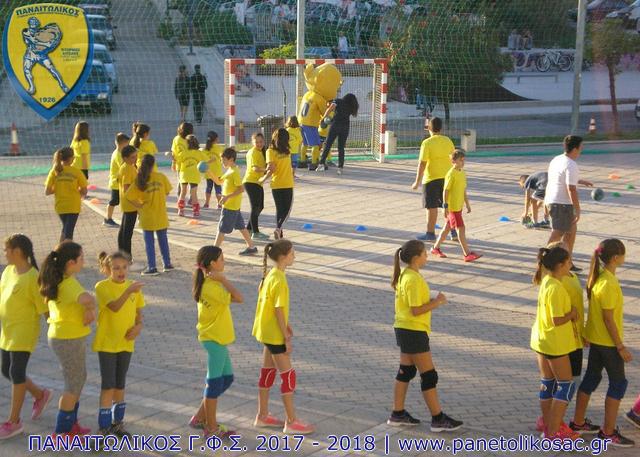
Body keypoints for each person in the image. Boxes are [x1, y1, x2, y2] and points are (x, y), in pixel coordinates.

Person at [388, 240, 463, 432]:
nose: (427, 256)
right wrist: (437, 302)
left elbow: (412, 303)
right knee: (429, 376)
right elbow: (415, 310)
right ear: (416, 258)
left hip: (404, 328)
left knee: (406, 371)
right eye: (424, 254)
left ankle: (397, 413)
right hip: (413, 330)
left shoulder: (406, 274)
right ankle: (438, 419)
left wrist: (429, 300)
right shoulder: (413, 279)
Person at [572, 239, 634, 447]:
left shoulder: (599, 277)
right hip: (608, 343)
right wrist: (620, 346)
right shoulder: (608, 283)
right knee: (618, 384)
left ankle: (578, 422)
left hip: (597, 340)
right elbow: (608, 319)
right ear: (616, 258)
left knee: (592, 378)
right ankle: (608, 432)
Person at [252, 240, 314, 434]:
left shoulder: (270, 274)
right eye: (292, 253)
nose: (294, 256)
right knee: (288, 377)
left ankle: (262, 416)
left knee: (267, 373)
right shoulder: (279, 279)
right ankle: (291, 421)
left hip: (265, 331)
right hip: (274, 335)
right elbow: (278, 308)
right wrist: (286, 337)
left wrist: (285, 323)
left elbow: (269, 304)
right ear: (283, 257)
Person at [38, 241, 96, 437]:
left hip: (65, 337)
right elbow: (88, 299)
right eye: (81, 258)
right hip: (68, 339)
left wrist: (88, 309)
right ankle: (61, 432)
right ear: (71, 263)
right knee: (72, 384)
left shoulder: (61, 279)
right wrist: (90, 308)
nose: (84, 261)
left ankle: (71, 425)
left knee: (78, 379)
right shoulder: (69, 284)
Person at [189, 246, 244, 438]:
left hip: (218, 338)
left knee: (226, 379)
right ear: (212, 263)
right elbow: (239, 298)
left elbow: (233, 299)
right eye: (221, 259)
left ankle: (199, 418)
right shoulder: (211, 287)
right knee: (213, 384)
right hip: (214, 339)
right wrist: (224, 280)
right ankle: (211, 428)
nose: (224, 261)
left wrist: (220, 280)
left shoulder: (208, 283)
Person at [0, 234, 51, 440]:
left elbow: (45, 309)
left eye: (7, 249)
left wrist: (55, 331)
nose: (4, 253)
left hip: (24, 331)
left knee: (16, 371)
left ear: (18, 251)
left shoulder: (32, 277)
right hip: (7, 330)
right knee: (6, 370)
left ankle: (14, 422)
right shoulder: (8, 271)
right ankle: (40, 394)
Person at [530, 245, 580, 440]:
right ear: (560, 265)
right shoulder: (556, 288)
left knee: (547, 383)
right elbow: (556, 320)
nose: (571, 265)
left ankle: (546, 423)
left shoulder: (547, 280)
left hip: (541, 339)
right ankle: (553, 431)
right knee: (566, 385)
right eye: (568, 262)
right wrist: (572, 314)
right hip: (555, 343)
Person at [94, 251, 145, 438]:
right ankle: (104, 427)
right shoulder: (102, 287)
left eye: (124, 267)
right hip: (107, 344)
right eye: (116, 268)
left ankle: (117, 424)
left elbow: (139, 313)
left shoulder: (133, 288)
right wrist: (128, 291)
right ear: (107, 269)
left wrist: (138, 327)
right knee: (108, 385)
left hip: (126, 343)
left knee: (120, 384)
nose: (121, 271)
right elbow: (114, 307)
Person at [545, 135, 593, 272]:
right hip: (562, 203)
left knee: (571, 232)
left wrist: (580, 181)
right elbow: (571, 188)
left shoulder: (557, 159)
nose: (582, 150)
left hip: (553, 200)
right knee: (557, 234)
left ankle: (568, 263)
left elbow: (558, 178)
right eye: (581, 147)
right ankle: (545, 261)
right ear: (575, 148)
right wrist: (577, 209)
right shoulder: (571, 164)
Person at [125, 155, 174, 276]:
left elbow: (128, 196)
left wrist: (139, 205)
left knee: (149, 243)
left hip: (147, 215)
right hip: (160, 214)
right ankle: (167, 264)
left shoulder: (140, 180)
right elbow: (167, 192)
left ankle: (152, 267)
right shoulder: (161, 177)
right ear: (153, 164)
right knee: (163, 240)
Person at [430, 149, 481, 262]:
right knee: (461, 228)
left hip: (458, 206)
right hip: (452, 208)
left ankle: (435, 248)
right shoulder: (451, 174)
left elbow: (463, 189)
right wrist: (445, 206)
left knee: (447, 228)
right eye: (460, 160)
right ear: (453, 161)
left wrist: (467, 203)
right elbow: (445, 190)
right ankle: (467, 254)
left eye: (463, 160)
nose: (463, 162)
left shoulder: (462, 173)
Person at [411, 117, 456, 242]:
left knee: (431, 207)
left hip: (431, 179)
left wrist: (417, 181)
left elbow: (422, 163)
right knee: (447, 205)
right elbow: (453, 158)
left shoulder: (427, 143)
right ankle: (453, 231)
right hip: (446, 178)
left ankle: (430, 233)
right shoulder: (448, 140)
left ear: (429, 128)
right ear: (441, 128)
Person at [210, 148, 258, 256]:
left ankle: (213, 252)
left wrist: (227, 197)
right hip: (234, 207)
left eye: (224, 160)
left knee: (221, 229)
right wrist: (208, 171)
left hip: (230, 207)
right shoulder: (229, 170)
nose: (222, 162)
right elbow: (219, 181)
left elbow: (241, 189)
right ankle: (251, 247)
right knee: (242, 227)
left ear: (231, 159)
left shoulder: (234, 172)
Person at [45, 147, 88, 242]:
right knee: (68, 233)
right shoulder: (77, 172)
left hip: (60, 206)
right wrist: (77, 192)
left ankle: (59, 250)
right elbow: (84, 191)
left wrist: (58, 188)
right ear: (71, 158)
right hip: (73, 206)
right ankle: (67, 249)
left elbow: (47, 191)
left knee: (65, 230)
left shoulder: (54, 171)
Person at [259, 129, 294, 240]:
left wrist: (263, 178)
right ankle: (278, 229)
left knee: (279, 209)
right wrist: (263, 178)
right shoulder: (287, 150)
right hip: (287, 184)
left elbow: (271, 168)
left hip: (276, 184)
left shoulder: (270, 151)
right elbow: (272, 168)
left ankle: (280, 234)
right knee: (287, 211)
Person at [317, 93, 359, 174]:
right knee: (341, 148)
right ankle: (340, 168)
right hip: (345, 127)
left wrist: (323, 118)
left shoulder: (338, 101)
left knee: (328, 144)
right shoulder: (351, 107)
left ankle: (321, 164)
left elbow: (330, 109)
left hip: (335, 125)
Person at [243, 133, 269, 241]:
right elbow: (255, 168)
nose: (259, 144)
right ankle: (255, 232)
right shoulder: (253, 152)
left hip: (257, 182)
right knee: (255, 207)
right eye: (256, 142)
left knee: (260, 206)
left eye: (261, 141)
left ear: (264, 141)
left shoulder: (261, 152)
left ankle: (249, 228)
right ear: (252, 143)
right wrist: (267, 170)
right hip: (251, 182)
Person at [176, 135, 207, 218]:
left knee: (183, 192)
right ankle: (196, 212)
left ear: (187, 144)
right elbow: (206, 161)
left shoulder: (183, 153)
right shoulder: (199, 153)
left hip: (184, 174)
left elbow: (178, 162)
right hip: (194, 175)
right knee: (194, 194)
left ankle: (181, 210)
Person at [117, 146, 139, 257]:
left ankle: (122, 253)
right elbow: (126, 188)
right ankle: (127, 256)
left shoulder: (125, 166)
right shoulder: (128, 168)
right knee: (127, 232)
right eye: (132, 157)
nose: (135, 159)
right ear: (125, 158)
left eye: (136, 156)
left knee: (123, 230)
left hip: (126, 203)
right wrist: (136, 203)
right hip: (130, 204)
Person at [104, 133, 130, 228]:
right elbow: (123, 167)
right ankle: (108, 218)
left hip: (119, 182)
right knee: (114, 201)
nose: (128, 145)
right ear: (122, 143)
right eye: (127, 143)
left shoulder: (119, 153)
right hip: (116, 182)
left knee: (121, 200)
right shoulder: (118, 154)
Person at [170, 122, 194, 198]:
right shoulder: (191, 139)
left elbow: (173, 153)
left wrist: (173, 163)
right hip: (190, 164)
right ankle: (191, 198)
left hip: (180, 165)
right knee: (192, 182)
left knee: (181, 182)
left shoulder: (176, 139)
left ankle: (180, 199)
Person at [203, 131, 224, 210]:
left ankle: (206, 203)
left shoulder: (205, 149)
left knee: (208, 188)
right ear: (216, 139)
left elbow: (203, 160)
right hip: (217, 172)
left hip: (208, 172)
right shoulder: (218, 148)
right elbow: (222, 157)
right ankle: (219, 204)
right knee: (218, 188)